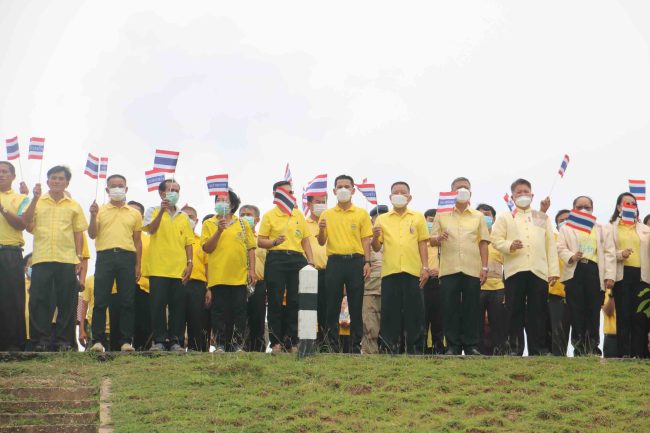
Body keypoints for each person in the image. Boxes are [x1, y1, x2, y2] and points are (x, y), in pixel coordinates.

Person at [491, 178, 560, 356]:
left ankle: (538, 349)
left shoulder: (540, 217)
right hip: (515, 270)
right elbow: (496, 239)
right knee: (515, 310)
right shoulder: (505, 217)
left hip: (538, 270)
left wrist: (553, 271)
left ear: (532, 195)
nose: (522, 195)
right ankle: (514, 348)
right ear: (512, 196)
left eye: (525, 192)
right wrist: (509, 245)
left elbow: (549, 244)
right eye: (518, 192)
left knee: (538, 311)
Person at [23, 165, 88, 351]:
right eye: (53, 178)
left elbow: (78, 233)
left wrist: (78, 257)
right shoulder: (38, 201)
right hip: (42, 257)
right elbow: (27, 224)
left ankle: (64, 342)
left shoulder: (74, 205)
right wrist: (34, 198)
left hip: (67, 259)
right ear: (47, 181)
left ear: (67, 182)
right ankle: (39, 341)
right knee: (38, 300)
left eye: (61, 178)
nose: (57, 181)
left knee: (67, 301)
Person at [431, 178, 489, 356]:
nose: (462, 190)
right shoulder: (441, 214)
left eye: (466, 188)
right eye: (458, 188)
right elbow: (431, 240)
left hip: (472, 268)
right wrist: (439, 238)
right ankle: (453, 346)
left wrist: (485, 267)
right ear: (451, 191)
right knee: (450, 308)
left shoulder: (478, 216)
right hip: (449, 269)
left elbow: (483, 242)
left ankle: (471, 345)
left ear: (471, 192)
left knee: (472, 308)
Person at [87, 174, 142, 353]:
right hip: (105, 256)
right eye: (113, 186)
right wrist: (93, 215)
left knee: (127, 301)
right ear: (107, 190)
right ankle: (98, 340)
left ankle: (126, 341)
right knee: (101, 299)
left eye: (120, 185)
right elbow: (92, 234)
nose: (117, 189)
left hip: (127, 257)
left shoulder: (134, 213)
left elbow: (138, 241)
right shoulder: (100, 210)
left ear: (126, 189)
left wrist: (138, 264)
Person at [372, 181, 429, 354]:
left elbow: (422, 243)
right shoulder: (382, 219)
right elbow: (376, 247)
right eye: (395, 192)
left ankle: (416, 349)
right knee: (390, 312)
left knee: (415, 312)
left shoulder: (417, 217)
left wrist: (425, 267)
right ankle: (389, 348)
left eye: (402, 192)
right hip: (390, 272)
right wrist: (374, 237)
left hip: (413, 271)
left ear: (409, 197)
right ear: (390, 197)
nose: (399, 194)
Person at [318, 175, 372, 353]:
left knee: (356, 306)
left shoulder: (361, 213)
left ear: (353, 190)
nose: (343, 189)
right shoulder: (326, 214)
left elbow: (366, 240)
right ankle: (332, 345)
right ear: (334, 191)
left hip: (356, 261)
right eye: (339, 186)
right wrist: (322, 229)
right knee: (331, 305)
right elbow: (321, 241)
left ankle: (356, 346)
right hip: (334, 262)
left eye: (346, 186)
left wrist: (367, 261)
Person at [258, 181, 314, 353]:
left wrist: (310, 261)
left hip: (297, 259)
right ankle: (275, 342)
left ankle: (292, 341)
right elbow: (260, 240)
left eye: (291, 191)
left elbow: (305, 240)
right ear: (276, 194)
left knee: (295, 300)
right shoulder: (269, 215)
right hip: (276, 258)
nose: (290, 194)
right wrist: (274, 242)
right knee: (275, 300)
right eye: (285, 192)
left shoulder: (298, 215)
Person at [557, 196, 616, 356]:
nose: (583, 209)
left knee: (593, 310)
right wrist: (571, 255)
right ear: (573, 209)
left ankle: (593, 347)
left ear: (592, 208)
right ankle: (579, 347)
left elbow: (609, 253)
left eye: (587, 206)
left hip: (595, 271)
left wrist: (610, 275)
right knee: (576, 310)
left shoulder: (602, 229)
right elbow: (560, 247)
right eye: (579, 206)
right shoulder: (566, 228)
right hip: (575, 270)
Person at [202, 189, 256, 353]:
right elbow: (207, 248)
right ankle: (220, 344)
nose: (221, 202)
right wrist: (219, 230)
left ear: (232, 204)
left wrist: (252, 270)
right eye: (218, 199)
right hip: (218, 276)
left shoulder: (242, 223)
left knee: (239, 312)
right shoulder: (209, 223)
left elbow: (251, 248)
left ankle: (237, 344)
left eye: (224, 200)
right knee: (219, 312)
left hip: (239, 277)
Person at [143, 179, 193, 352]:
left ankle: (175, 341)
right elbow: (151, 229)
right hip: (158, 267)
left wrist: (190, 262)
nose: (174, 193)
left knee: (177, 307)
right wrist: (162, 211)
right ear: (161, 193)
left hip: (178, 268)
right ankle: (158, 341)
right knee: (157, 306)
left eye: (177, 190)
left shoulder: (184, 216)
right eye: (171, 189)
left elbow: (188, 242)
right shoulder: (152, 210)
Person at [608, 193, 650, 358]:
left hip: (642, 276)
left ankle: (638, 354)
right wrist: (620, 254)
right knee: (624, 315)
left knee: (639, 317)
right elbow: (607, 251)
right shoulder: (610, 227)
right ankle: (624, 354)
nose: (630, 205)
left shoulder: (645, 229)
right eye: (627, 203)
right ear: (619, 206)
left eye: (634, 203)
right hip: (622, 274)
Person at [0, 161, 30, 351]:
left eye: (4, 172)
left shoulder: (21, 198)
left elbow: (21, 224)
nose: (1, 175)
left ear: (13, 176)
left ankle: (13, 346)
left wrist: (2, 208)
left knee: (12, 299)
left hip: (9, 252)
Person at [476, 203, 507, 355]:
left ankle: (500, 353)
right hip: (476, 287)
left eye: (487, 214)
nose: (484, 217)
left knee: (498, 324)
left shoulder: (499, 239)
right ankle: (477, 353)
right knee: (476, 324)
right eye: (480, 214)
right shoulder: (471, 238)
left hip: (498, 288)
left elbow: (507, 266)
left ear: (493, 219)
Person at [181, 206, 210, 352]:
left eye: (191, 217)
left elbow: (208, 265)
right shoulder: (175, 239)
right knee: (178, 318)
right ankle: (177, 348)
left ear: (196, 220)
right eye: (184, 216)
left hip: (198, 284)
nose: (188, 219)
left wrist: (209, 288)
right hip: (177, 283)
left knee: (197, 320)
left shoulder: (202, 241)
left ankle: (196, 350)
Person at [240, 205, 268, 352]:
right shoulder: (235, 236)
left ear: (257, 219)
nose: (245, 217)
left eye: (249, 214)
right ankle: (238, 347)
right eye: (242, 214)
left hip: (259, 284)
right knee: (240, 317)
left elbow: (269, 264)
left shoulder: (263, 240)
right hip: (237, 283)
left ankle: (258, 349)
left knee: (258, 318)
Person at [362, 205, 388, 355]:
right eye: (377, 218)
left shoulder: (394, 237)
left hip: (390, 287)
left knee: (389, 324)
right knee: (370, 324)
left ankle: (388, 351)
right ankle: (369, 354)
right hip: (370, 287)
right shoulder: (366, 238)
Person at [305, 194, 329, 348]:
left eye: (323, 202)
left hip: (328, 272)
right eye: (317, 202)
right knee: (308, 309)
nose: (320, 205)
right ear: (309, 204)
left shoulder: (329, 222)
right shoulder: (302, 222)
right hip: (308, 272)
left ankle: (325, 343)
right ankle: (308, 344)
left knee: (326, 309)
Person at [128, 200, 152, 351]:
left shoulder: (149, 238)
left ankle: (142, 348)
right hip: (119, 286)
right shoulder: (118, 236)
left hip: (144, 286)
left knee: (143, 322)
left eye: (137, 213)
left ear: (142, 217)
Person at [548, 210, 572, 356]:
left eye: (568, 219)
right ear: (556, 226)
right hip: (556, 293)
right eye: (561, 220)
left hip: (578, 292)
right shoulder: (552, 239)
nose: (564, 222)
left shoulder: (583, 239)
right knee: (558, 332)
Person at [422, 208, 444, 354]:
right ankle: (421, 349)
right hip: (422, 283)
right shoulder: (420, 241)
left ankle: (439, 349)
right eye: (431, 221)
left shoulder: (444, 242)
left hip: (440, 283)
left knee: (439, 319)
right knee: (421, 319)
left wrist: (440, 271)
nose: (433, 224)